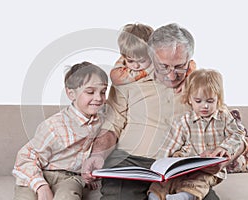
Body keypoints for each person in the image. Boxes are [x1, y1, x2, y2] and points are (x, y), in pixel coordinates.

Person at [81, 23, 245, 200]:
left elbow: (236, 135)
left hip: (181, 167)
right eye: (164, 66)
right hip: (131, 162)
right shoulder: (127, 82)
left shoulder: (200, 86)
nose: (172, 75)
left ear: (190, 60)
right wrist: (97, 155)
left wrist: (223, 159)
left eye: (179, 67)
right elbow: (111, 126)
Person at [12, 61, 108, 200]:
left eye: (103, 92)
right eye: (90, 92)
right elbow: (26, 157)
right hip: (40, 173)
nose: (99, 98)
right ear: (71, 94)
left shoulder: (102, 121)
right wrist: (41, 186)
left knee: (67, 197)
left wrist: (91, 174)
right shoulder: (55, 126)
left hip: (70, 178)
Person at [147, 69, 246, 200]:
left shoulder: (224, 116)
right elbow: (169, 145)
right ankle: (155, 196)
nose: (204, 106)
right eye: (198, 101)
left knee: (199, 182)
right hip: (184, 167)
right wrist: (161, 166)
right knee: (164, 182)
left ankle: (184, 197)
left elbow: (238, 133)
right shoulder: (183, 121)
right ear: (190, 100)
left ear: (218, 99)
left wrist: (225, 148)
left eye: (210, 101)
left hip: (208, 170)